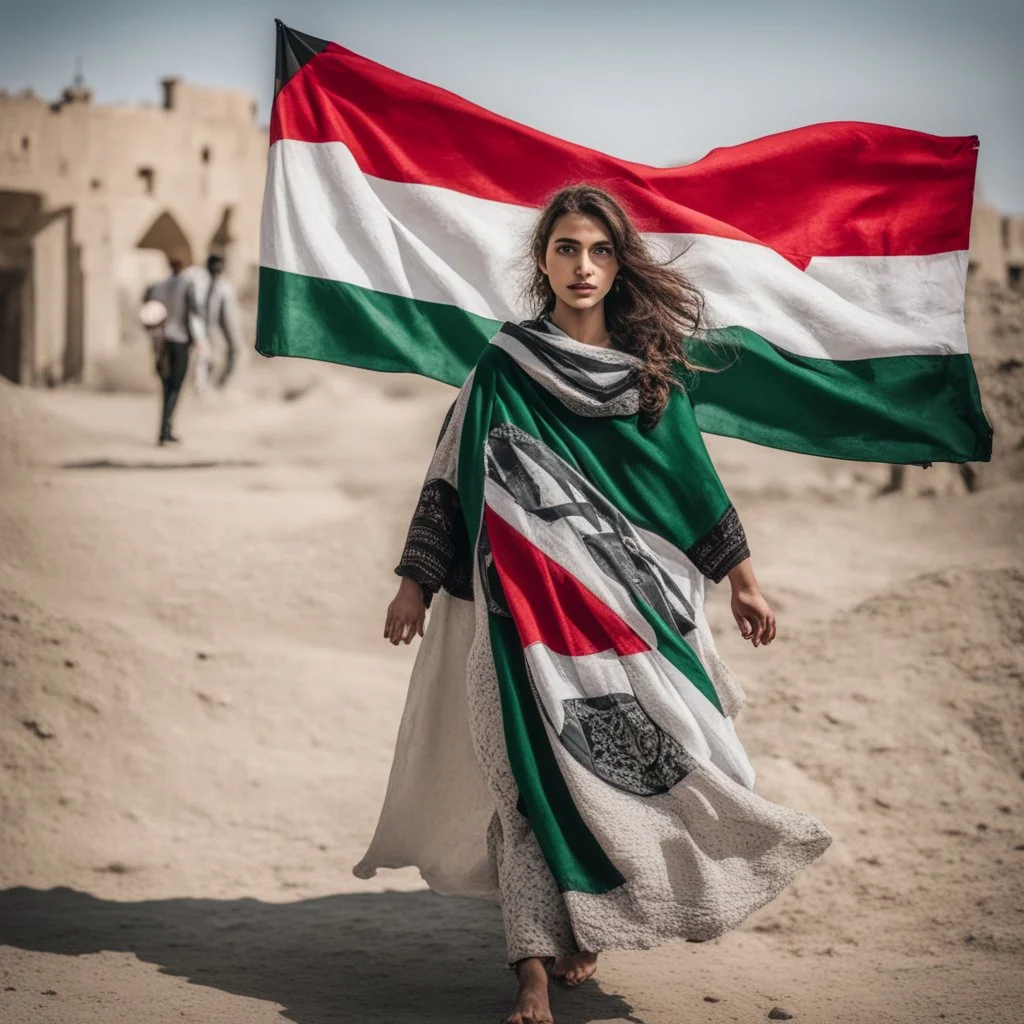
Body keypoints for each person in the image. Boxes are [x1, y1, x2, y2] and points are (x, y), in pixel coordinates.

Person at [359, 185, 831, 1024]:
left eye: (602, 251)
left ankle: (595, 912)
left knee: (640, 764)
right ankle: (530, 974)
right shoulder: (505, 364)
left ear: (620, 264)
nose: (585, 266)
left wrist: (744, 580)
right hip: (518, 620)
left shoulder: (651, 372)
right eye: (569, 249)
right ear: (542, 260)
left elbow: (689, 479)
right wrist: (415, 581)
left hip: (625, 622)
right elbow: (452, 475)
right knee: (528, 781)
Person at [143, 256, 198, 446]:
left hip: (161, 342)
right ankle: (165, 428)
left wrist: (154, 342)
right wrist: (195, 339)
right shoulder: (186, 285)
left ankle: (164, 428)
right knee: (175, 385)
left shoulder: (156, 287)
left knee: (166, 386)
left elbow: (148, 317)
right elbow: (193, 313)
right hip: (179, 340)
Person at [186, 253, 243, 392]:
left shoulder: (224, 287)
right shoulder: (198, 281)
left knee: (233, 350)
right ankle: (201, 387)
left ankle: (222, 383)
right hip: (200, 326)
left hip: (214, 326)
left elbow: (228, 317)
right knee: (204, 355)